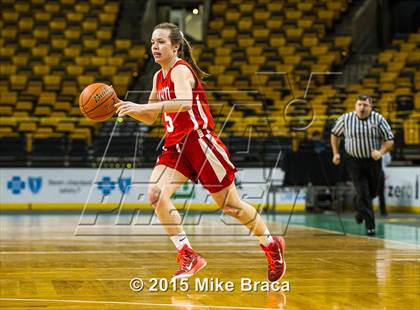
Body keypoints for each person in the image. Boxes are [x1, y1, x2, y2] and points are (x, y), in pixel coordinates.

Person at [114, 23, 285, 281]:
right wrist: (127, 108)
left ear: (175, 46)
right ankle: (187, 253)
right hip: (175, 146)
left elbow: (183, 103)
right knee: (156, 193)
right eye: (152, 42)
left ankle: (271, 245)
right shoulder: (157, 76)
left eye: (161, 42)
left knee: (231, 206)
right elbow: (150, 117)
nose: (155, 47)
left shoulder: (181, 70)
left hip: (199, 141)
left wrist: (139, 107)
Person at [330, 94, 394, 236]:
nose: (362, 108)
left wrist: (381, 151)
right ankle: (370, 226)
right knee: (364, 193)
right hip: (354, 162)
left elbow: (390, 139)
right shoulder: (346, 119)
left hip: (373, 162)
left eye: (365, 105)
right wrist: (335, 153)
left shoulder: (378, 119)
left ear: (371, 107)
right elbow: (334, 134)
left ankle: (360, 209)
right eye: (359, 104)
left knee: (372, 193)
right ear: (355, 106)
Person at [378, 152, 391, 216]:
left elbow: (388, 161)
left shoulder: (385, 151)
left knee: (381, 193)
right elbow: (388, 161)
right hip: (373, 172)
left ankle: (383, 210)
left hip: (380, 172)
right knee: (368, 192)